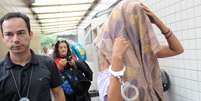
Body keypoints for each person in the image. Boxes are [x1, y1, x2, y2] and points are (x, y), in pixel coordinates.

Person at [94, 0, 184, 101]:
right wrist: (117, 59)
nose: (142, 28)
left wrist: (159, 23)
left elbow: (177, 50)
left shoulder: (143, 52)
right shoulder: (109, 58)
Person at [0, 12, 66, 101]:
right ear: (3, 38)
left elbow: (58, 93)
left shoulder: (48, 63)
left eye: (21, 33)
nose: (15, 40)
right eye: (9, 34)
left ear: (30, 35)